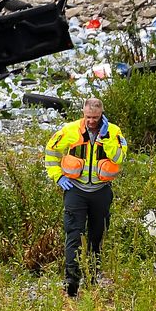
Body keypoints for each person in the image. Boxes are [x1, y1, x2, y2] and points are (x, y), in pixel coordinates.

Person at [43, 98, 128, 297]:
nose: (91, 121)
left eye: (95, 118)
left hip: (101, 191)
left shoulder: (114, 132)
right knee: (74, 234)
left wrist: (106, 138)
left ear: (101, 114)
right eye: (88, 117)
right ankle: (72, 280)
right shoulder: (70, 130)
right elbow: (50, 151)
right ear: (83, 113)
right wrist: (58, 176)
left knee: (96, 235)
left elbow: (120, 158)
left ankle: (92, 277)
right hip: (75, 190)